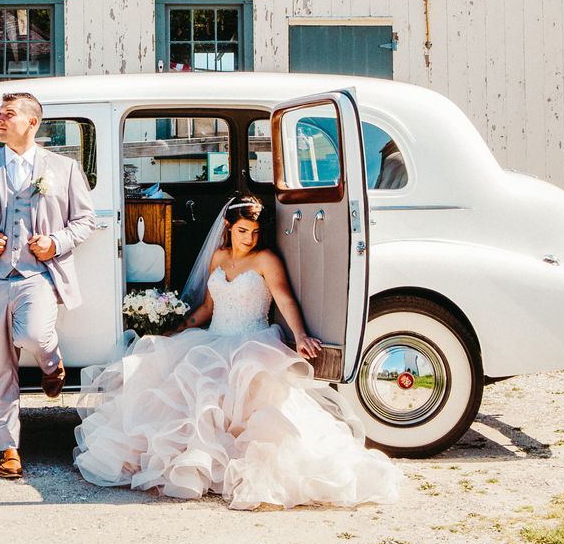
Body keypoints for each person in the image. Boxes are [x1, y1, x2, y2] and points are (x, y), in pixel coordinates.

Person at [73, 195, 400, 509]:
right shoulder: (218, 258)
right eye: (243, 231)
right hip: (214, 339)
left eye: (256, 232)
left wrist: (300, 336)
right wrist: (179, 329)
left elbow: (284, 299)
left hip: (252, 341)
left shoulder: (265, 260)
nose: (249, 238)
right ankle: (192, 463)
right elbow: (207, 308)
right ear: (228, 226)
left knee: (246, 397)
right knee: (180, 388)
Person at [0, 91, 96, 480]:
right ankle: (8, 448)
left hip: (38, 277)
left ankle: (51, 363)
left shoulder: (63, 168)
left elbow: (85, 221)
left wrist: (54, 243)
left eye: (8, 114)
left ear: (32, 122)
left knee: (33, 334)